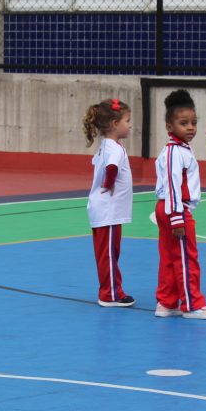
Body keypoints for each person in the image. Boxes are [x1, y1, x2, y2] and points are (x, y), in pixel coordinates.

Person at [154, 90, 206, 320]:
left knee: (170, 257)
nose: (190, 128)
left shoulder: (181, 149)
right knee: (186, 258)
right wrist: (177, 216)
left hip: (170, 208)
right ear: (169, 127)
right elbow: (172, 185)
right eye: (184, 123)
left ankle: (166, 302)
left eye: (193, 123)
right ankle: (192, 304)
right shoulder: (174, 152)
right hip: (176, 209)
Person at [84, 98, 135, 307]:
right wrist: (109, 183)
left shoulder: (107, 145)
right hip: (109, 211)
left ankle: (110, 290)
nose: (130, 125)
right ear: (115, 124)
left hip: (104, 211)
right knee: (109, 254)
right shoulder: (114, 149)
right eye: (127, 121)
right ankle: (110, 294)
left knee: (108, 253)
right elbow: (111, 167)